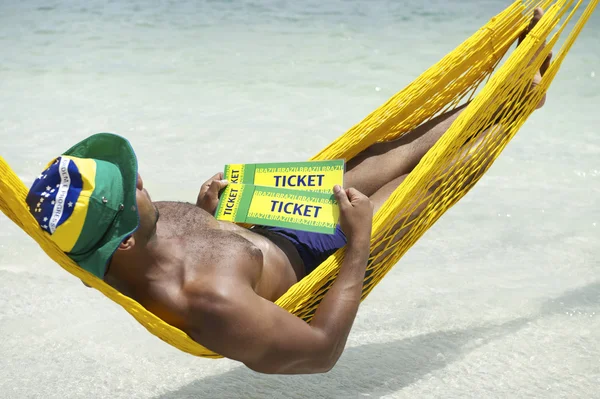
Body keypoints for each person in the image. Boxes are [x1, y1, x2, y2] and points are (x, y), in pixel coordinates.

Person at [26, 9, 550, 374]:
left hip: (260, 223)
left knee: (392, 147)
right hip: (322, 259)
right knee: (425, 182)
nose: (139, 180)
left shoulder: (113, 232)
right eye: (128, 188)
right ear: (122, 242)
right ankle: (517, 104)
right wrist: (360, 241)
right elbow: (320, 354)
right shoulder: (211, 305)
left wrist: (215, 218)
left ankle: (504, 76)